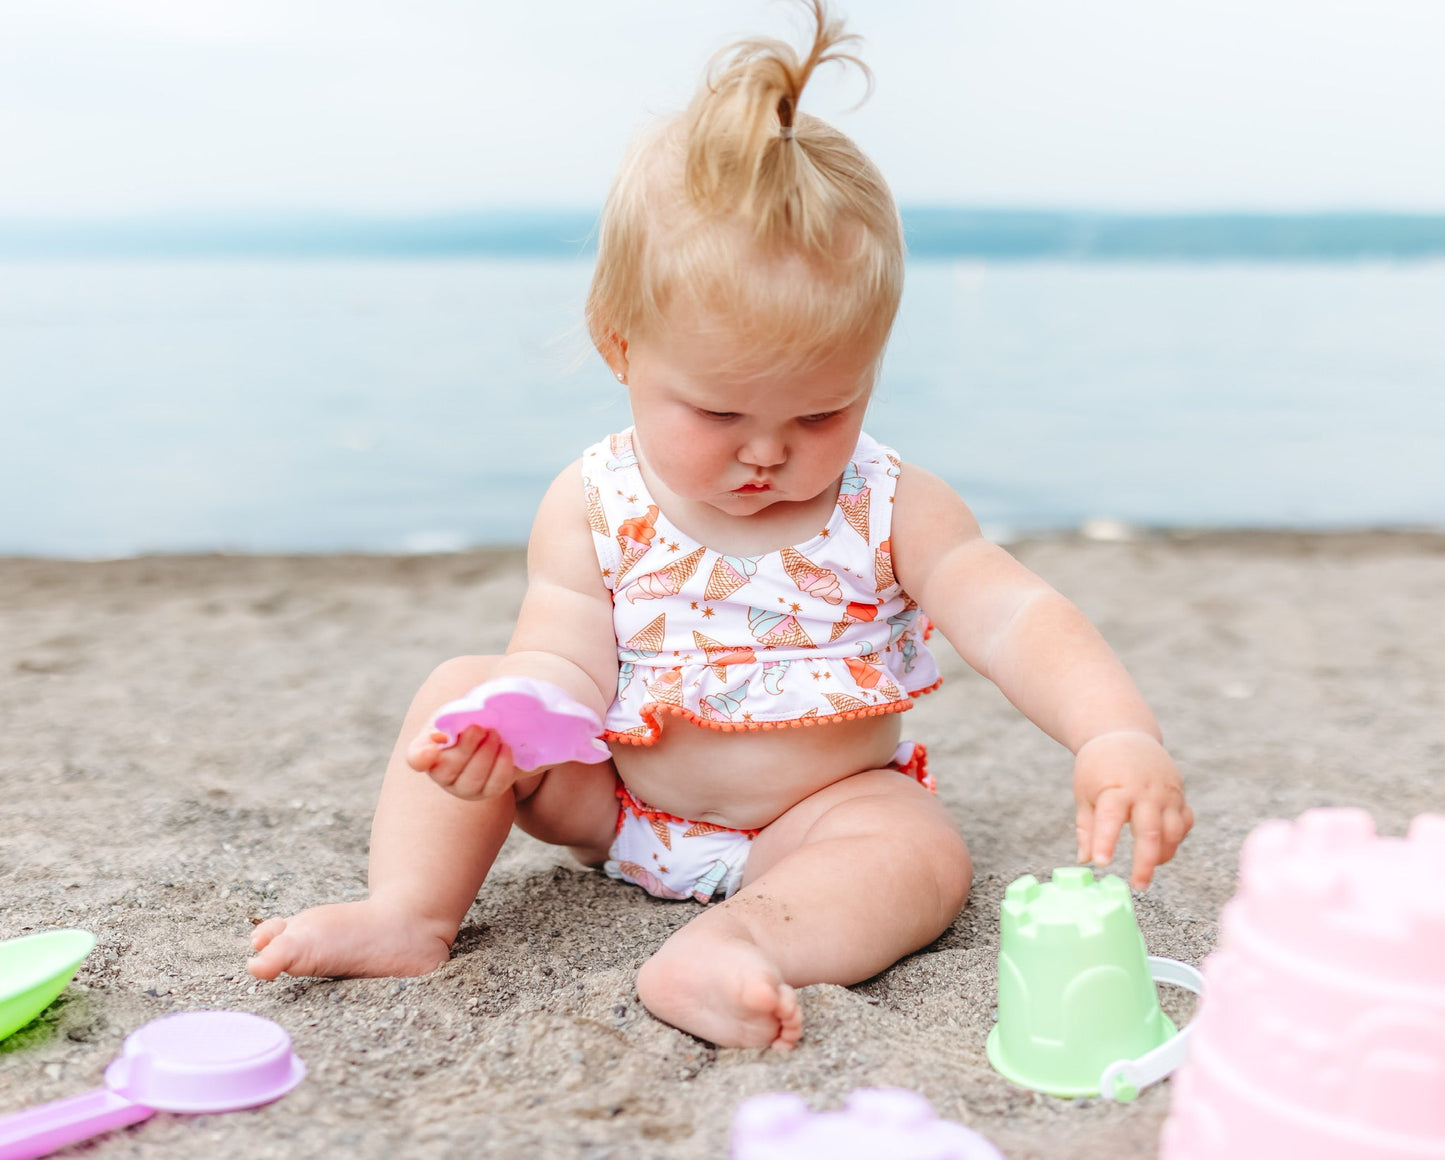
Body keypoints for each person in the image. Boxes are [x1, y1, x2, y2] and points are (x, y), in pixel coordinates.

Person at [247, 0, 1193, 1052]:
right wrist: (514, 718)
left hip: (816, 813)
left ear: (868, 370)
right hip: (610, 803)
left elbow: (1014, 615)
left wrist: (1111, 731)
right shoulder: (594, 500)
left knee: (919, 850)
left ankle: (738, 943)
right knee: (458, 684)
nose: (766, 451)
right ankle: (409, 911)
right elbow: (564, 655)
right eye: (718, 413)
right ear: (621, 349)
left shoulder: (890, 505)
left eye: (821, 411)